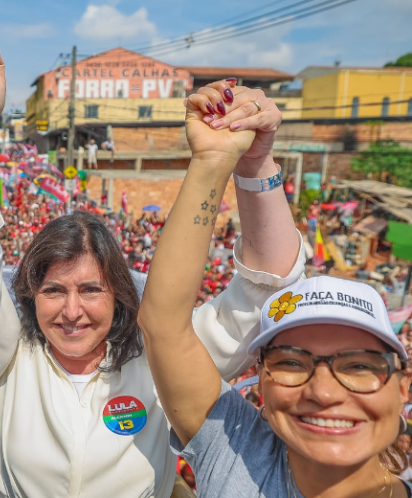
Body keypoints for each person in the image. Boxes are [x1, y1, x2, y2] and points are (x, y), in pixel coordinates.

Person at [0, 45, 305, 497]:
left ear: (120, 295)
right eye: (53, 291)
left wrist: (255, 161)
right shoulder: (10, 354)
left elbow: (265, 294)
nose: (72, 311)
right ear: (30, 295)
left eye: (91, 289)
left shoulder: (161, 363)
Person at [138, 86, 412, 497]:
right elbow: (164, 325)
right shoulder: (232, 450)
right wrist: (224, 160)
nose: (323, 391)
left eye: (358, 366)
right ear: (260, 383)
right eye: (291, 363)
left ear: (402, 386)